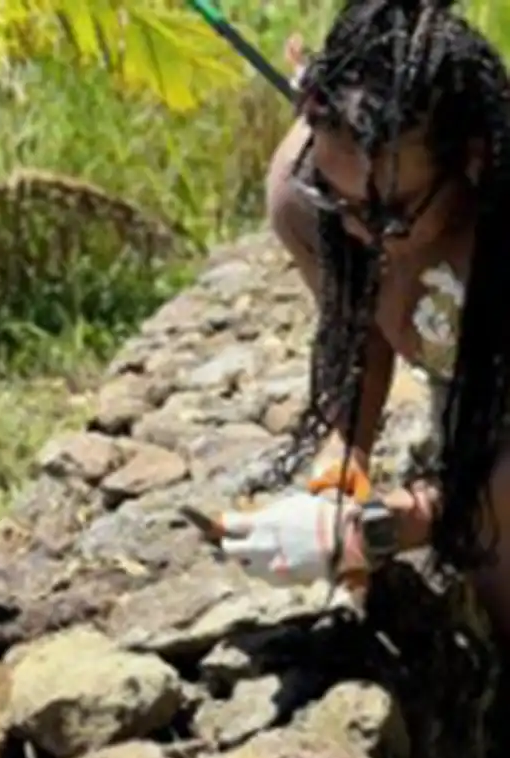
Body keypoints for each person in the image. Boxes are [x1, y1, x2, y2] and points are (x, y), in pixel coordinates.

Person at [210, 0, 510, 622]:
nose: (359, 232)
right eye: (334, 198)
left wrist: (380, 529)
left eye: (389, 213)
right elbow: (357, 328)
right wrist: (344, 462)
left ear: (473, 159)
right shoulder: (306, 196)